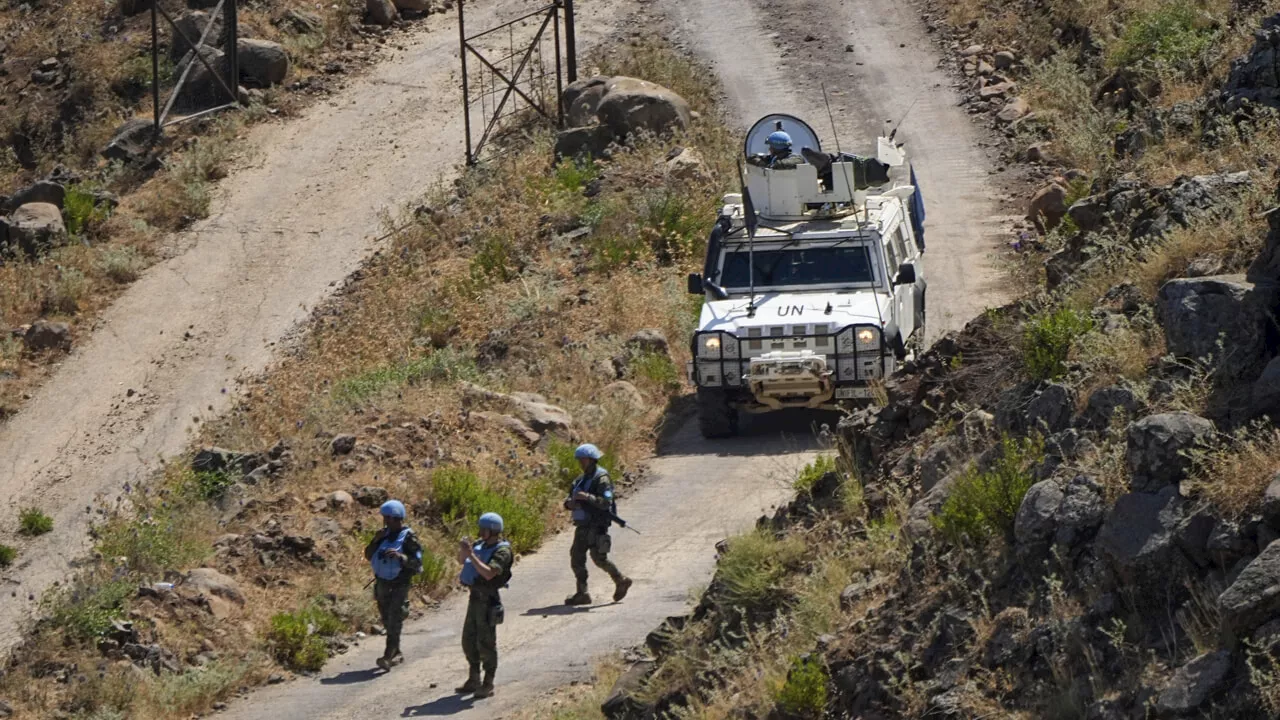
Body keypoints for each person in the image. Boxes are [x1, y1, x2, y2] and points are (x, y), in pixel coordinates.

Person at [563, 444, 632, 606]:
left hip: (596, 525)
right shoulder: (580, 480)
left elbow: (605, 503)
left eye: (583, 460)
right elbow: (569, 499)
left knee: (599, 559)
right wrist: (569, 504)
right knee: (576, 558)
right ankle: (582, 593)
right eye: (579, 460)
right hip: (582, 525)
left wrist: (587, 497)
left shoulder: (602, 479)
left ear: (592, 460)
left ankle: (620, 580)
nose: (581, 463)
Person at [456, 512, 513, 699]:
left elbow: (489, 574)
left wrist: (471, 555)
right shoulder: (480, 547)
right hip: (475, 598)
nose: (480, 532)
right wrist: (465, 551)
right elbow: (461, 561)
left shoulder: (502, 551)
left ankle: (488, 682)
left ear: (492, 531)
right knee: (468, 640)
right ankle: (474, 678)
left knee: (486, 643)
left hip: (488, 600)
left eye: (484, 529)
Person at [364, 499, 423, 671]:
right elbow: (368, 555)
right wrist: (375, 541)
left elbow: (418, 563)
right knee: (386, 619)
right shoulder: (383, 535)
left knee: (394, 618)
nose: (386, 522)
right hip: (382, 583)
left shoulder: (409, 538)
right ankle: (396, 652)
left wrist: (400, 557)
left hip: (399, 584)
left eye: (389, 519)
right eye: (385, 519)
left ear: (397, 519)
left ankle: (388, 655)